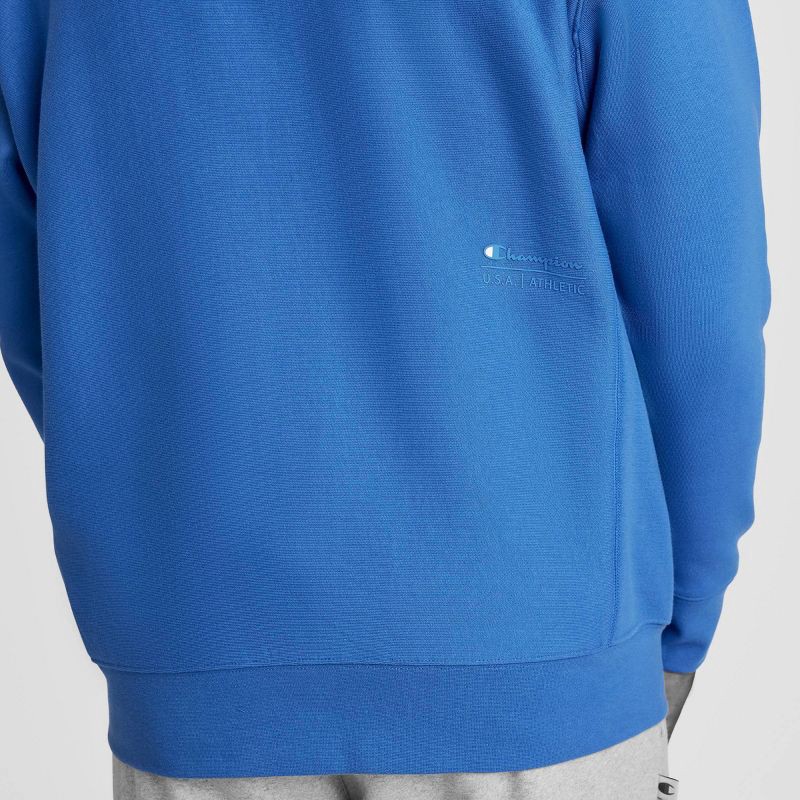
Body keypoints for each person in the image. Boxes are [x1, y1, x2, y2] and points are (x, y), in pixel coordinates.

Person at [0, 1, 768, 798]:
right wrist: (679, 623)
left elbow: (35, 278)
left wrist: (160, 520)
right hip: (531, 646)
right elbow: (697, 301)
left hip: (196, 639)